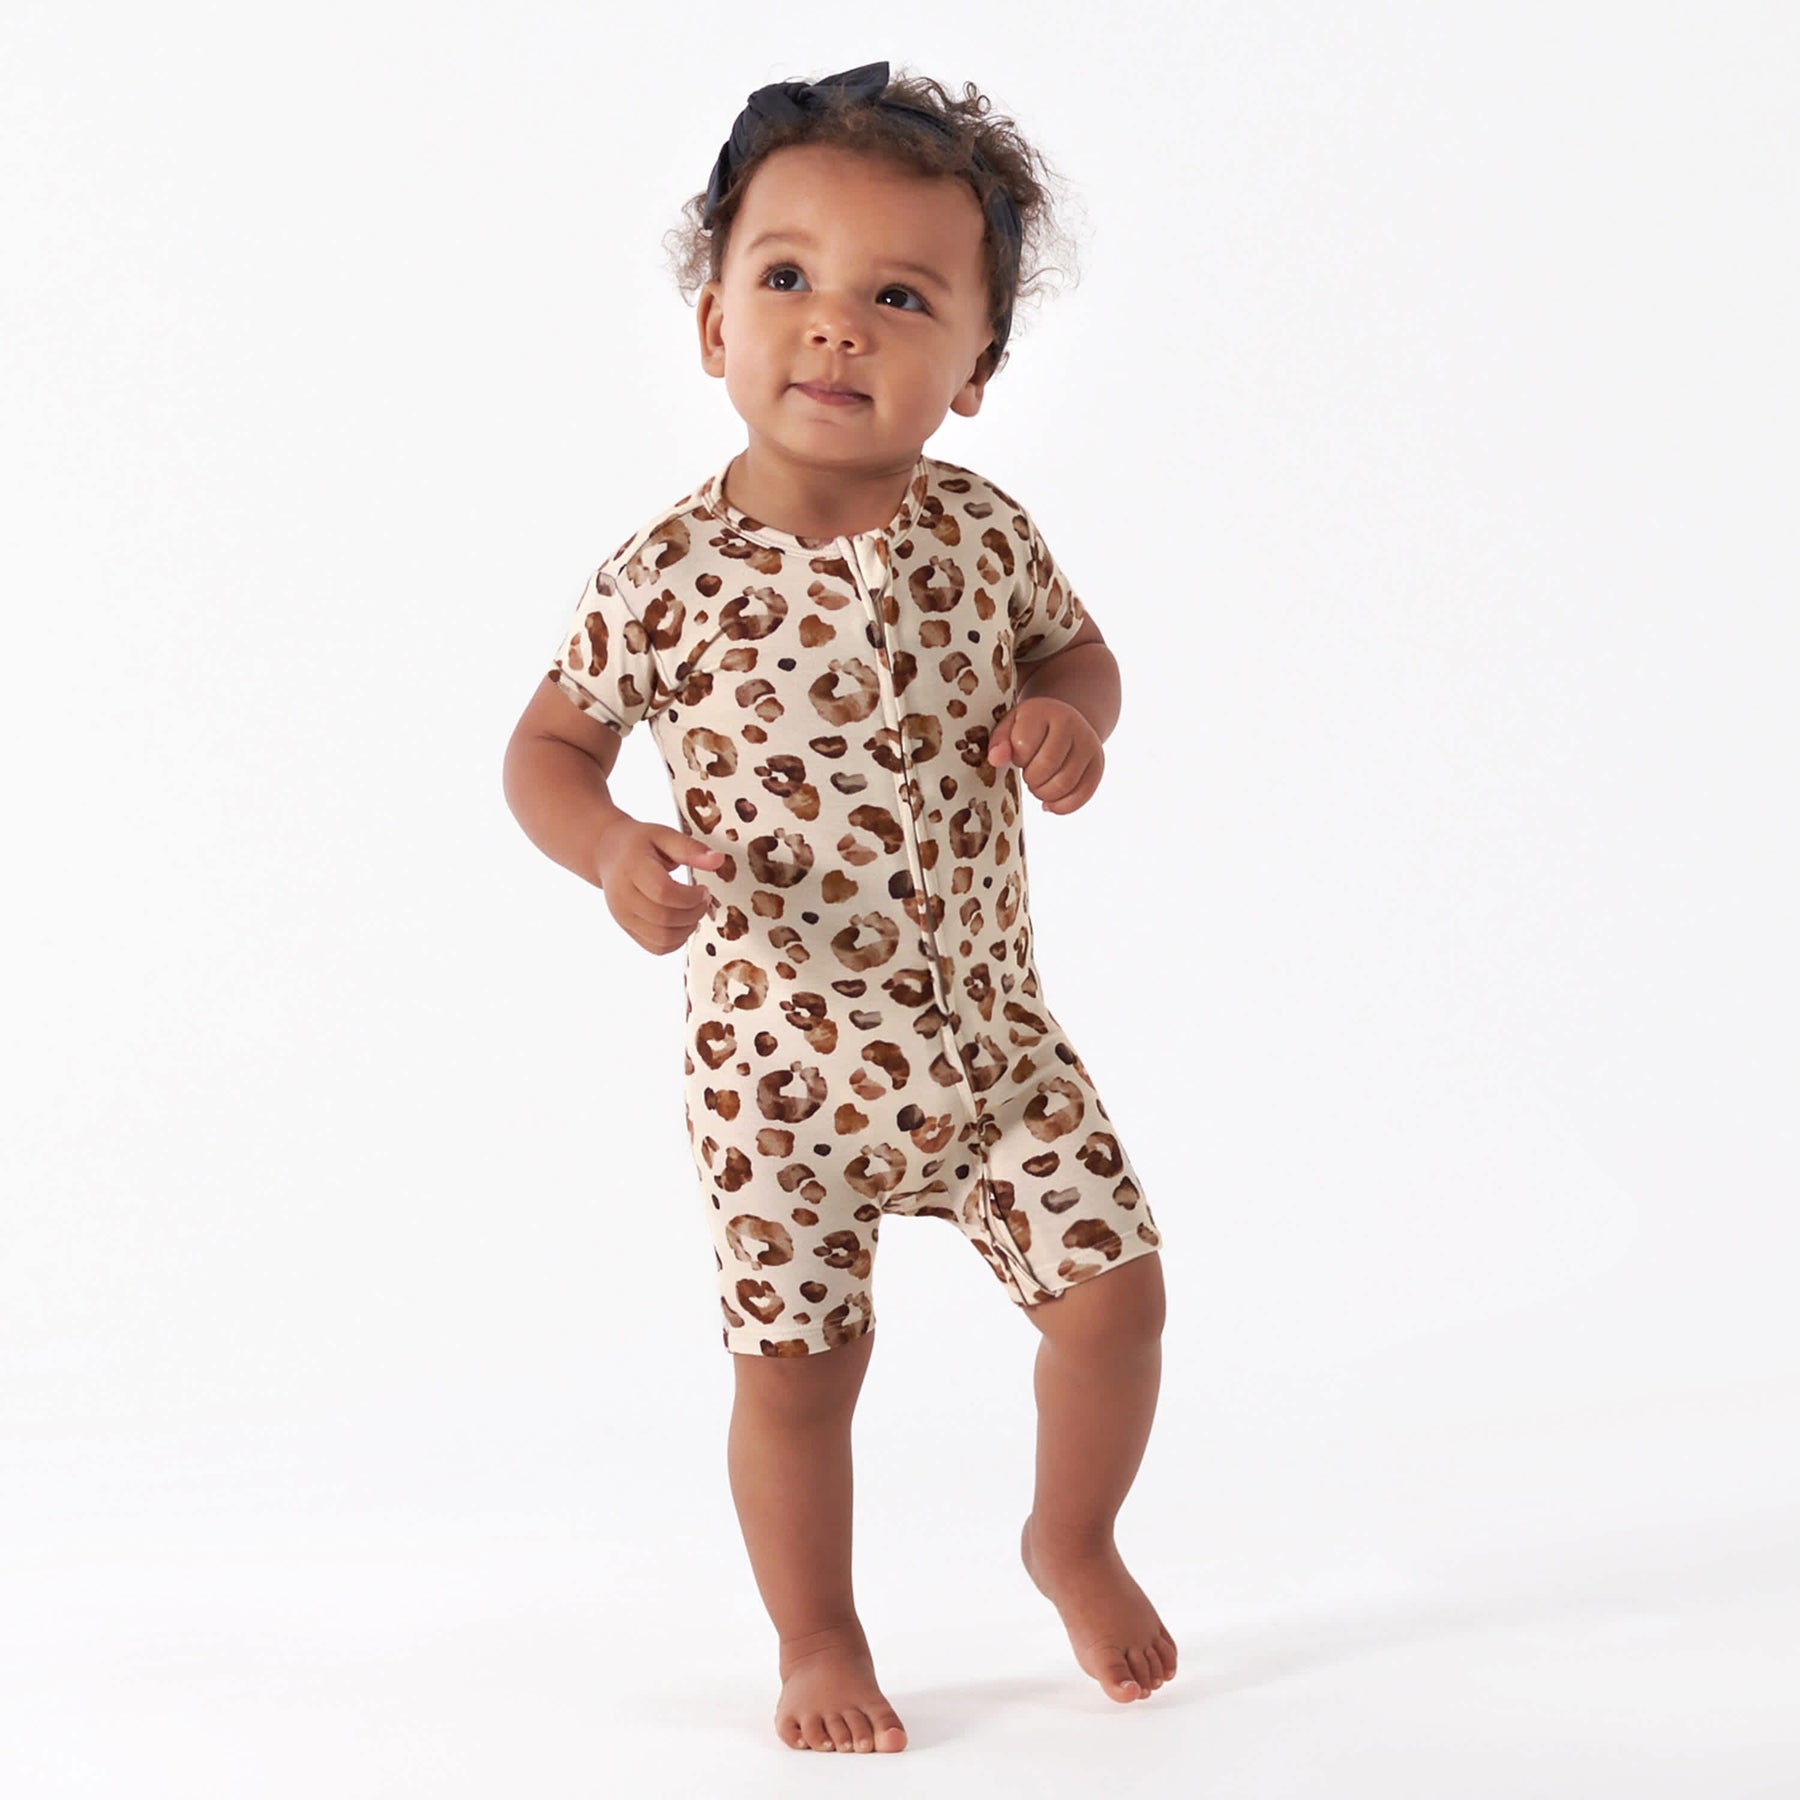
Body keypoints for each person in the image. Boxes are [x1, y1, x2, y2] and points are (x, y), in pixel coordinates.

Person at [502, 60, 1176, 1755]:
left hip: (995, 1046)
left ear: (976, 371)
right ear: (711, 320)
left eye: (902, 299)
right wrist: (608, 847)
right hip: (780, 1076)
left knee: (1115, 1300)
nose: (835, 327)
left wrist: (1072, 718)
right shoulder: (665, 578)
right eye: (789, 276)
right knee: (798, 1379)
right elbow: (546, 749)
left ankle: (1073, 1538)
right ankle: (818, 1636)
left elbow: (1080, 653)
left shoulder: (983, 535)